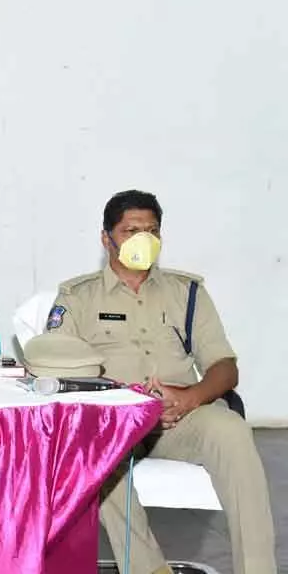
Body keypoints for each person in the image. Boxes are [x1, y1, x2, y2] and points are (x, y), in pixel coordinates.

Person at [43, 190, 276, 574]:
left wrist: (190, 398)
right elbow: (54, 371)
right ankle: (150, 569)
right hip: (114, 424)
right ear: (107, 239)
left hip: (180, 416)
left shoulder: (187, 293)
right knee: (91, 454)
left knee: (232, 430)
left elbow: (224, 366)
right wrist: (124, 407)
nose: (142, 239)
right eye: (131, 230)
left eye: (151, 230)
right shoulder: (77, 298)